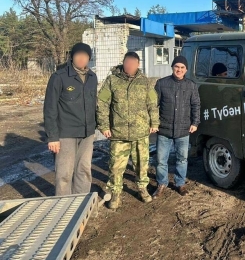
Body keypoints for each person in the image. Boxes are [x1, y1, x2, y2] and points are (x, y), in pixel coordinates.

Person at [97, 52, 159, 209]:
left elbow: (152, 103)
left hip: (140, 132)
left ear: (138, 65)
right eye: (127, 62)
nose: (130, 65)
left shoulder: (145, 82)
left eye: (133, 63)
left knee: (142, 164)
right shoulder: (112, 80)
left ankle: (142, 189)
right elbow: (102, 103)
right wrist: (104, 126)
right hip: (119, 133)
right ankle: (115, 194)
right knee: (116, 166)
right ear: (123, 63)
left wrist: (154, 122)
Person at [43, 42, 98, 196]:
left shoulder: (92, 77)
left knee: (84, 170)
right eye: (78, 55)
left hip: (87, 133)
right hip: (65, 133)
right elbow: (50, 108)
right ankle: (64, 206)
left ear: (89, 58)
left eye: (85, 56)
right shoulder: (59, 77)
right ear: (72, 57)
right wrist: (52, 137)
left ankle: (80, 203)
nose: (81, 58)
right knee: (64, 174)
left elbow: (94, 104)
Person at [153, 55, 200, 198]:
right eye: (176, 67)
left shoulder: (191, 85)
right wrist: (154, 123)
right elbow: (153, 105)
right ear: (172, 67)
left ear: (186, 70)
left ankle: (180, 183)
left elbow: (196, 105)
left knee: (182, 159)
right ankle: (162, 183)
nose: (179, 70)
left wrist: (195, 122)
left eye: (182, 68)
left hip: (183, 129)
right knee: (161, 160)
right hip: (164, 129)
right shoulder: (161, 84)